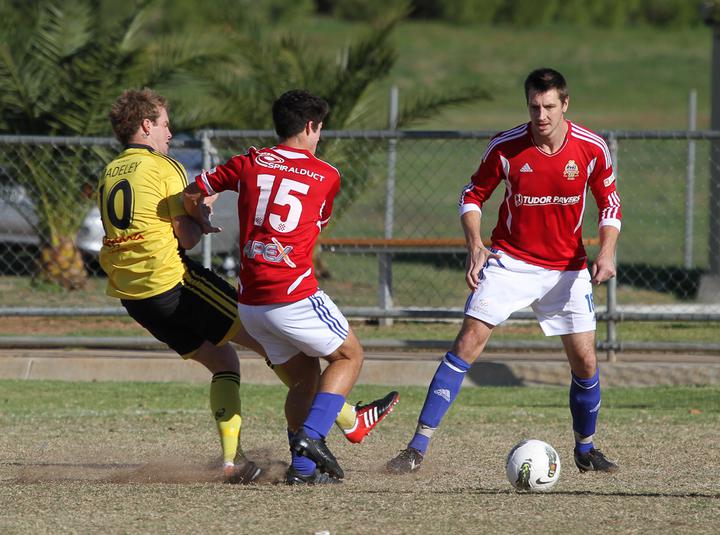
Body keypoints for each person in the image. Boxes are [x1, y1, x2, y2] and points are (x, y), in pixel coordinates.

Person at [99, 89, 397, 486]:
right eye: (166, 125)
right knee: (301, 358)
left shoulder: (111, 171)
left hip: (132, 295)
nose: (170, 133)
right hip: (175, 282)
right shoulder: (163, 167)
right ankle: (339, 424)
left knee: (227, 362)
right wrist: (200, 218)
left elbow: (200, 189)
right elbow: (185, 237)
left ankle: (234, 462)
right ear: (147, 125)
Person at [386, 68, 622, 475]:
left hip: (566, 268)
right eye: (534, 106)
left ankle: (586, 449)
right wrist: (475, 245)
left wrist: (608, 252)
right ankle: (417, 446)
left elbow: (610, 204)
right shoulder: (506, 146)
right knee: (467, 343)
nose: (542, 115)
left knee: (584, 361)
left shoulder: (591, 147)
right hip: (510, 261)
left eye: (550, 106)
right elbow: (472, 195)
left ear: (565, 104)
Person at [184, 89, 388, 485]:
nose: (319, 138)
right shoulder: (327, 175)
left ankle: (303, 470)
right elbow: (316, 222)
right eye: (319, 130)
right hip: (291, 293)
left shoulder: (249, 161)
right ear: (310, 126)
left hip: (251, 304)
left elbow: (193, 192)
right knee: (349, 357)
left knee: (304, 377)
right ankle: (311, 440)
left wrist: (202, 217)